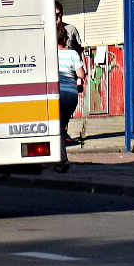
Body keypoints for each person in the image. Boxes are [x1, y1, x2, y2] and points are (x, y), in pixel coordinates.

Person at [55, 26, 85, 173]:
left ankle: (63, 160)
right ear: (65, 39)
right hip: (72, 96)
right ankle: (61, 160)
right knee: (62, 126)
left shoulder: (50, 54)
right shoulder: (73, 54)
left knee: (59, 129)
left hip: (57, 94)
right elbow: (82, 75)